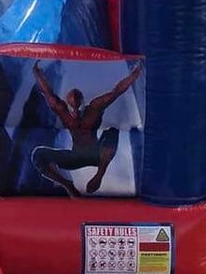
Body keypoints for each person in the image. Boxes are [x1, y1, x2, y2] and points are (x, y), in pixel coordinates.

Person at [30, 58, 144, 195]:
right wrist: (36, 72)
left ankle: (99, 174)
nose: (76, 113)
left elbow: (117, 91)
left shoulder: (95, 107)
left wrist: (135, 74)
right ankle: (67, 185)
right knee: (38, 154)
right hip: (75, 157)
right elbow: (47, 92)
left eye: (79, 109)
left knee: (112, 131)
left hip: (97, 156)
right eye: (73, 110)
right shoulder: (62, 110)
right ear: (68, 106)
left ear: (84, 105)